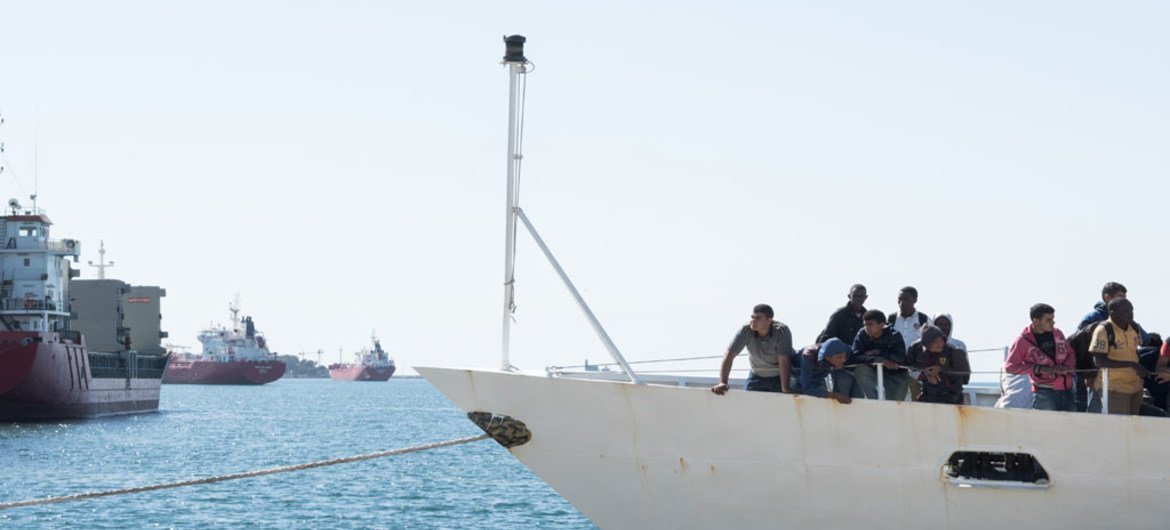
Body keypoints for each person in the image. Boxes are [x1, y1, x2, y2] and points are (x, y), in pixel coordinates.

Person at [1004, 303, 1077, 411]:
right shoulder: (1023, 341)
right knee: (1046, 427)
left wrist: (1067, 366)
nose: (1053, 322)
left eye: (1053, 319)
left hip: (1068, 390)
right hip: (1045, 394)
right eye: (1048, 320)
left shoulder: (1058, 333)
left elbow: (1070, 353)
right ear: (1035, 321)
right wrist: (1039, 369)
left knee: (1070, 426)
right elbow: (1010, 367)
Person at [711, 304, 794, 395]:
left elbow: (784, 359)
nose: (753, 321)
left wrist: (785, 388)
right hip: (757, 375)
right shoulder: (746, 330)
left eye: (758, 318)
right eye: (752, 317)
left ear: (769, 320)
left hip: (779, 377)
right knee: (748, 405)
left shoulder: (781, 331)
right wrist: (723, 382)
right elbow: (729, 355)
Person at [1089, 298, 1146, 415]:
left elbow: (1135, 351)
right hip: (1113, 389)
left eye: (1131, 310)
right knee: (1118, 428)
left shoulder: (1134, 327)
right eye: (1125, 311)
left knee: (1133, 428)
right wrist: (1132, 365)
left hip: (1135, 387)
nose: (1130, 314)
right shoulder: (1103, 330)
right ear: (1112, 312)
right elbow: (1099, 361)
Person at [850, 309, 908, 400]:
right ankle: (874, 401)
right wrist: (877, 360)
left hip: (895, 375)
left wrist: (878, 352)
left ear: (881, 325)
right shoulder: (862, 335)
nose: (866, 328)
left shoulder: (894, 335)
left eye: (870, 324)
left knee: (894, 406)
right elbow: (855, 356)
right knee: (860, 370)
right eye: (865, 324)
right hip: (873, 373)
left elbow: (900, 357)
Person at [907, 324, 970, 404]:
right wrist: (924, 372)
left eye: (941, 340)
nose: (940, 344)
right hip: (929, 397)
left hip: (952, 398)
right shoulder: (918, 351)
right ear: (927, 344)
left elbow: (965, 376)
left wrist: (941, 370)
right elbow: (910, 367)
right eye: (935, 342)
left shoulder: (955, 352)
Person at [800, 338, 861, 402]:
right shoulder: (808, 356)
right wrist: (834, 395)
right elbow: (807, 388)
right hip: (799, 374)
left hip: (819, 377)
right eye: (839, 357)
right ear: (827, 357)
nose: (844, 360)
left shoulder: (844, 349)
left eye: (844, 356)